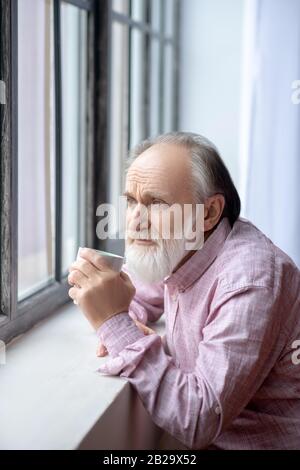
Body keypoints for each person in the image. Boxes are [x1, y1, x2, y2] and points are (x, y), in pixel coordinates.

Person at [68, 132, 300, 450]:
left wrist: (114, 323)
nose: (135, 221)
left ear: (208, 213)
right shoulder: (185, 244)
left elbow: (198, 419)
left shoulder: (249, 280)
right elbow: (141, 296)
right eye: (132, 201)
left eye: (157, 203)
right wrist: (122, 314)